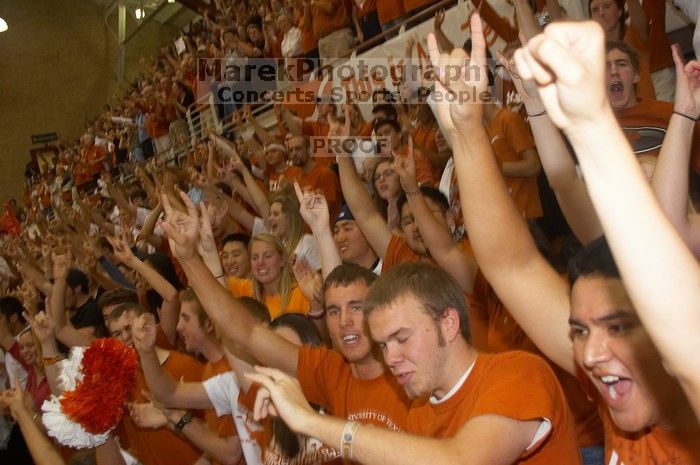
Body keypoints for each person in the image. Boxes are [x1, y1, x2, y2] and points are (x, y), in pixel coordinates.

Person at [428, 12, 700, 463]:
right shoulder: (618, 387)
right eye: (579, 330)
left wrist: (591, 124)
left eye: (617, 327)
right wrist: (466, 133)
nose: (591, 354)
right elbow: (512, 266)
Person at [516, 15, 700, 422]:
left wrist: (684, 116)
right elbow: (563, 186)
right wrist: (536, 108)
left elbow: (671, 227)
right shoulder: (613, 249)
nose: (640, 173)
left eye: (652, 168)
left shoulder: (688, 224)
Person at [247, 263, 581, 465]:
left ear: (448, 324)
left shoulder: (517, 373)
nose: (390, 359)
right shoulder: (420, 412)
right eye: (383, 345)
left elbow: (461, 461)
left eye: (402, 338)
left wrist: (311, 422)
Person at [158, 190, 413, 454]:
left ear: (379, 313)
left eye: (357, 307)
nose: (345, 321)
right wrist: (189, 258)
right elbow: (246, 332)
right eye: (334, 311)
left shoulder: (409, 372)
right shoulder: (331, 373)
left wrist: (322, 231)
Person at [130, 288, 243, 465]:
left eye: (186, 318)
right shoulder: (208, 369)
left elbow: (230, 453)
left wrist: (174, 415)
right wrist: (170, 419)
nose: (178, 326)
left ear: (209, 324)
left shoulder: (231, 371)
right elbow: (215, 435)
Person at [227, 233, 314, 319]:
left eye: (268, 256)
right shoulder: (247, 291)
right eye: (255, 257)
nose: (260, 262)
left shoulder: (301, 294)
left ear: (282, 260)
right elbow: (217, 280)